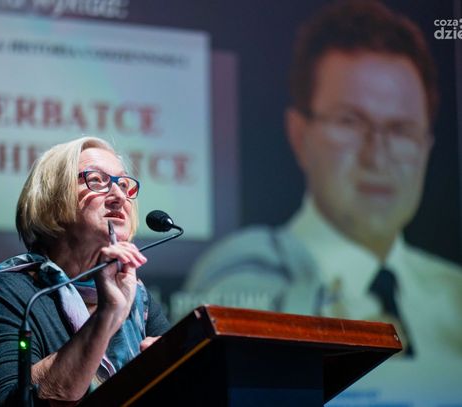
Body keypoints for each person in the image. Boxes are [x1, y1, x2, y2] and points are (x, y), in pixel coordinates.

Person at [184, 1, 462, 402]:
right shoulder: (245, 269)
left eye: (401, 129)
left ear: (426, 147)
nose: (377, 156)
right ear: (300, 134)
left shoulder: (455, 294)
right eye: (350, 121)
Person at [0, 136, 170, 406]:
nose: (118, 196)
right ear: (52, 199)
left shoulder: (138, 301)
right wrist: (108, 314)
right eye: (96, 180)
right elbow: (14, 402)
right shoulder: (7, 295)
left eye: (124, 184)